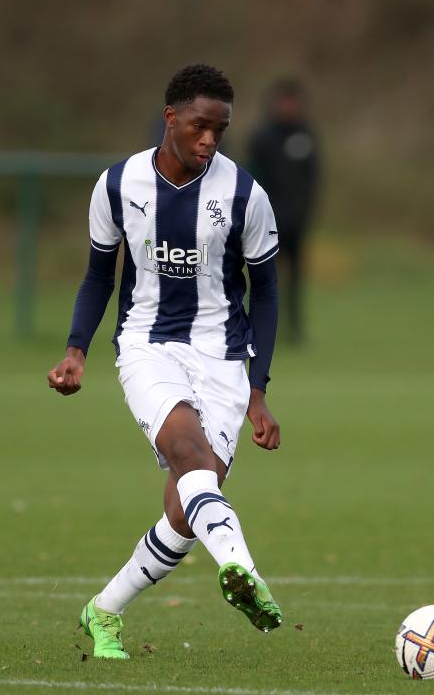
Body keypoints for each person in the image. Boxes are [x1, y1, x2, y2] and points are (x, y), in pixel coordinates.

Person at [47, 64, 283, 659]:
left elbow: (269, 294)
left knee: (187, 506)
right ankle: (244, 571)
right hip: (146, 346)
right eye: (200, 126)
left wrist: (258, 389)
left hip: (224, 355)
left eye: (220, 131)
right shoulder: (117, 185)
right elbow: (100, 274)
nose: (209, 140)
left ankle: (103, 610)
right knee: (189, 454)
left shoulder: (245, 195)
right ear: (170, 117)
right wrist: (76, 349)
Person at [248, 79, 319, 344]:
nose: (288, 107)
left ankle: (295, 329)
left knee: (295, 279)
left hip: (297, 222)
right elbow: (252, 177)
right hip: (266, 221)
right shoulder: (262, 137)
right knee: (261, 276)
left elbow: (313, 179)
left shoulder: (306, 136)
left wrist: (304, 213)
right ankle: (255, 326)